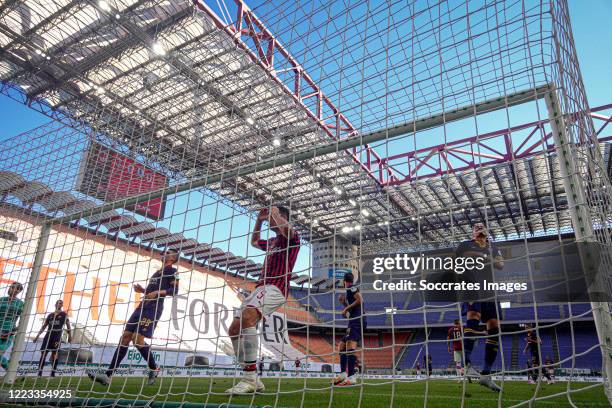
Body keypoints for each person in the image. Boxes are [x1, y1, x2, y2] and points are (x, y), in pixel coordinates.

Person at [226, 206, 300, 394]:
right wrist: (259, 220)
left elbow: (287, 229)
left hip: (276, 287)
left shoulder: (292, 237)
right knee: (234, 329)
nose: (269, 220)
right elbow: (254, 241)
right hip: (260, 287)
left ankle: (249, 378)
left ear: (283, 217)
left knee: (248, 318)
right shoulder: (273, 241)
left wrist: (274, 213)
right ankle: (253, 378)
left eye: (273, 217)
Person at [88, 250, 180, 386]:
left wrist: (157, 292)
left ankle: (154, 368)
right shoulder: (157, 272)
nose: (164, 252)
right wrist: (143, 290)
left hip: (153, 309)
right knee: (125, 336)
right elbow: (150, 292)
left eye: (168, 252)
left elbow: (175, 291)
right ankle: (108, 375)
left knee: (137, 339)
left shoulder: (173, 271)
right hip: (142, 306)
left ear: (173, 258)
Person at [456, 223, 504, 392]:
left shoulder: (494, 247)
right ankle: (467, 364)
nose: (479, 228)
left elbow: (500, 265)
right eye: (475, 227)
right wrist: (481, 255)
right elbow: (462, 257)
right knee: (473, 317)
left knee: (494, 327)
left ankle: (486, 375)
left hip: (490, 290)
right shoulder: (466, 244)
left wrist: (486, 256)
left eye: (482, 226)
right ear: (472, 232)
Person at [332, 272, 366, 386]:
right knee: (341, 345)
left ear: (344, 281)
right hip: (352, 321)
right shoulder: (349, 291)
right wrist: (344, 303)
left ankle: (351, 377)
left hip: (357, 321)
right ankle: (343, 374)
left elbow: (360, 299)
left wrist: (345, 307)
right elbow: (353, 308)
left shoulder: (352, 288)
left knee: (350, 345)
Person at [33, 299, 72, 377]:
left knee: (54, 354)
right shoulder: (50, 315)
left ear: (62, 305)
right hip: (48, 336)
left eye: (61, 303)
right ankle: (39, 373)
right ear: (55, 304)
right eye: (58, 303)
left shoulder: (64, 314)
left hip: (56, 336)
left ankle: (53, 374)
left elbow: (68, 326)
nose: (59, 304)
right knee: (43, 353)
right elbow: (44, 326)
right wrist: (37, 336)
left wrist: (70, 336)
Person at [0, 282, 24, 370]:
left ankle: (11, 373)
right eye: (11, 287)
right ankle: (11, 373)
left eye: (13, 287)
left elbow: (23, 319)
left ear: (18, 291)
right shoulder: (1, 299)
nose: (10, 289)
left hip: (8, 331)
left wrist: (16, 329)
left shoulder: (21, 304)